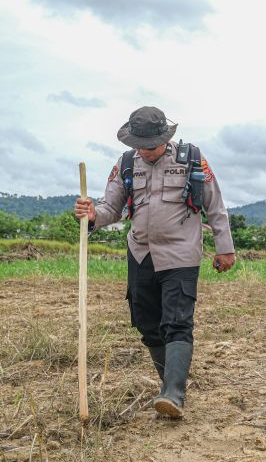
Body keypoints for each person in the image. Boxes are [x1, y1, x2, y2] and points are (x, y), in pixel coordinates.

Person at [74, 106, 235, 419]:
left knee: (177, 320)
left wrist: (224, 248)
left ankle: (173, 393)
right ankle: (169, 384)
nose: (145, 152)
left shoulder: (192, 160)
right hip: (141, 253)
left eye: (152, 146)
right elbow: (111, 207)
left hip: (181, 253)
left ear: (165, 138)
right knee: (147, 323)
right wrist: (93, 215)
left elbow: (216, 206)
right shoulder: (124, 164)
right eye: (140, 146)